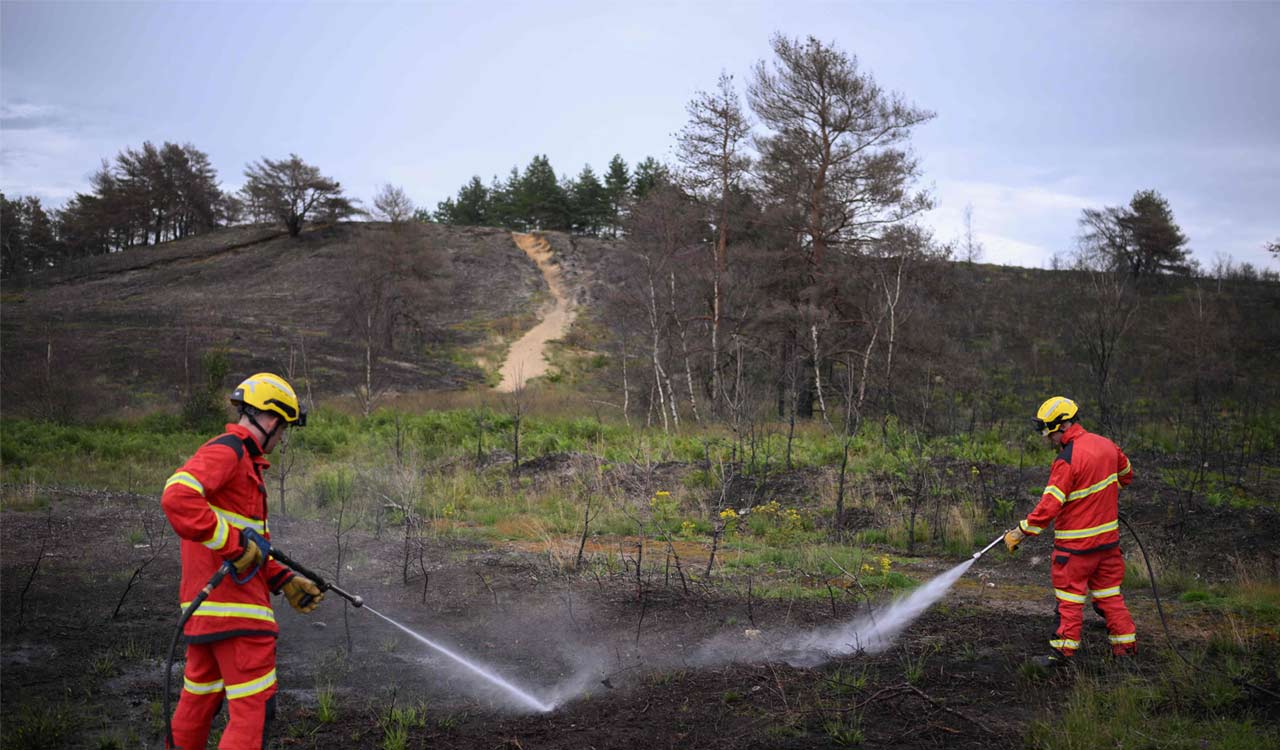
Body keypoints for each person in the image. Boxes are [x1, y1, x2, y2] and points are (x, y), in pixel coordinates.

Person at [161, 373, 324, 748]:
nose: (282, 438)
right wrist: (234, 545)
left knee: (198, 703)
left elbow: (251, 550)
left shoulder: (244, 465)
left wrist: (283, 579)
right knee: (253, 711)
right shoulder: (229, 451)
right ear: (270, 419)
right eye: (283, 428)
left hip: (209, 615)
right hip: (238, 614)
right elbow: (177, 498)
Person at [1003, 396, 1137, 666]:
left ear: (1064, 425)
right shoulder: (1107, 445)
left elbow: (1048, 507)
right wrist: (1101, 498)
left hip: (1075, 551)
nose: (1046, 438)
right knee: (1111, 598)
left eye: (1048, 432)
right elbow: (1126, 475)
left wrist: (1020, 532)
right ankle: (1125, 653)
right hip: (1108, 547)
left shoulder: (1067, 459)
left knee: (1069, 601)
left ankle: (1062, 656)